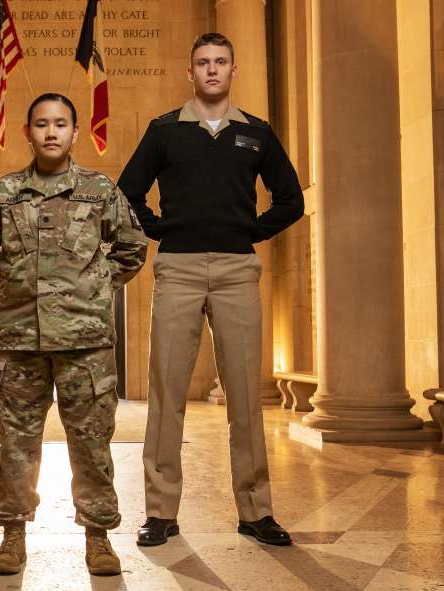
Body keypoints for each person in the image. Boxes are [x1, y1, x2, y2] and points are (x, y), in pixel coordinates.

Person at [118, 33, 304, 547]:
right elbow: (127, 194)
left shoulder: (257, 134)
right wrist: (162, 230)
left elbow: (291, 200)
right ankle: (160, 512)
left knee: (245, 395)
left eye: (221, 62)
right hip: (176, 268)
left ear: (233, 70)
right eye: (203, 62)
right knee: (167, 393)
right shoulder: (164, 131)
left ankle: (256, 511)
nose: (212, 70)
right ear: (191, 72)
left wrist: (251, 233)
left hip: (236, 270)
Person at [0, 93, 148, 576]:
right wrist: (18, 286)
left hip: (85, 345)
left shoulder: (99, 189)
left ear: (75, 132)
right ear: (27, 131)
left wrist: (93, 286)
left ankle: (99, 538)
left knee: (91, 444)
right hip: (20, 341)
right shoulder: (4, 193)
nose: (51, 132)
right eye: (42, 123)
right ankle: (11, 537)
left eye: (61, 123)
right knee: (16, 446)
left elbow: (132, 246)